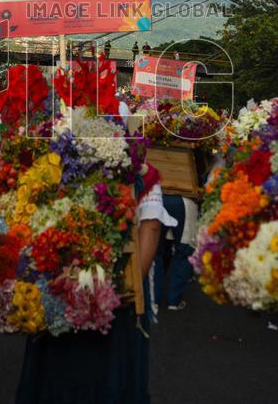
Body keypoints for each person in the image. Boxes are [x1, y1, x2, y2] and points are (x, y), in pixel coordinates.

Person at [15, 139, 177, 404]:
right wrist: (126, 287)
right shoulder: (143, 175)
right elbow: (151, 227)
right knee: (111, 375)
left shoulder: (57, 166)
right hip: (114, 297)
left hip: (59, 286)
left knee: (57, 371)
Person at [152, 192, 198, 311]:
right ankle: (174, 300)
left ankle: (153, 299)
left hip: (156, 198)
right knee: (184, 250)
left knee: (155, 252)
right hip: (184, 199)